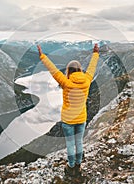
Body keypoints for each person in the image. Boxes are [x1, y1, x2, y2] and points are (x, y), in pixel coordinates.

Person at [37, 44, 99, 177]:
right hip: (81, 118)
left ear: (69, 71)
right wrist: (95, 53)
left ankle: (71, 167)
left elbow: (52, 69)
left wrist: (42, 56)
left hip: (68, 120)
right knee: (79, 142)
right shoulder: (87, 80)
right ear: (80, 70)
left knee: (70, 143)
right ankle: (78, 165)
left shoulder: (66, 82)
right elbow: (92, 67)